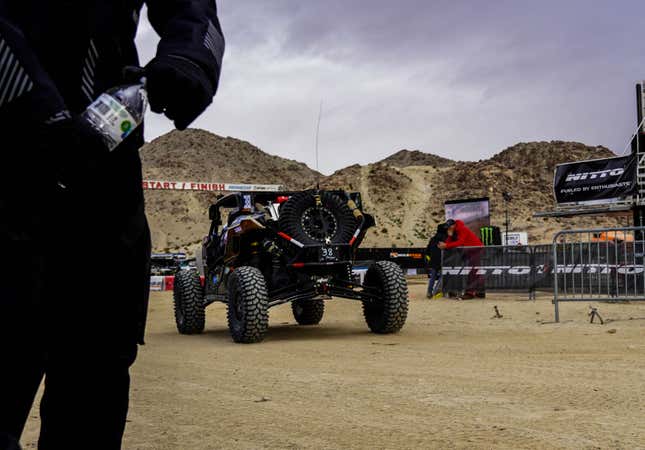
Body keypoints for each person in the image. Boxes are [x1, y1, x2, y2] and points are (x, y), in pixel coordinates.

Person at [0, 2, 224, 448]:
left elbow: (192, 9)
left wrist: (187, 60)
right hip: (11, 163)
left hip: (105, 177)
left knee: (93, 395)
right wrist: (35, 108)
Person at [438, 219, 485, 300]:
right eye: (447, 227)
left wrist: (446, 245)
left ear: (453, 225)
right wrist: (449, 236)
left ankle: (470, 293)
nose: (448, 229)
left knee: (473, 272)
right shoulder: (455, 231)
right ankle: (480, 292)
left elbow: (460, 242)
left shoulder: (462, 229)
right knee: (474, 272)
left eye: (449, 227)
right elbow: (449, 243)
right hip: (470, 251)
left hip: (476, 250)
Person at [425, 223, 447, 298]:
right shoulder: (446, 238)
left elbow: (427, 251)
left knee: (433, 277)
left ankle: (429, 292)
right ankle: (435, 290)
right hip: (443, 260)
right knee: (443, 276)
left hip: (433, 260)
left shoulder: (433, 239)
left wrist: (430, 258)